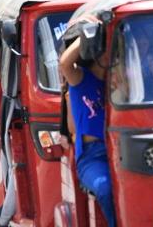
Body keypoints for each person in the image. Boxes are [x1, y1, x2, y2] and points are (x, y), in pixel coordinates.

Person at [59, 20, 116, 227]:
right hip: (93, 156)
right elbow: (65, 63)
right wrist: (88, 32)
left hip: (121, 150)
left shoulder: (119, 81)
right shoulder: (80, 79)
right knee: (105, 187)